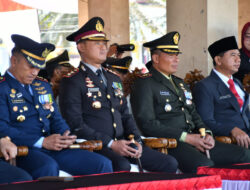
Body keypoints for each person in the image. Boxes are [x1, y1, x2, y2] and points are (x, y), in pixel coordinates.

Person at [59, 16, 178, 172]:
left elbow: (125, 114)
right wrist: (110, 143)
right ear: (81, 47)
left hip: (124, 143)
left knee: (169, 163)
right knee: (122, 166)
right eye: (97, 43)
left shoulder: (113, 77)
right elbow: (76, 124)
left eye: (104, 43)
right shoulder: (73, 80)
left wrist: (136, 140)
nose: (103, 48)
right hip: (97, 145)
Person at [130, 31, 250, 173]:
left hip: (195, 139)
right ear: (156, 58)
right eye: (171, 55)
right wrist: (186, 137)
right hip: (173, 142)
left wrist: (206, 134)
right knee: (204, 165)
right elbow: (147, 124)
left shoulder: (180, 84)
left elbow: (194, 114)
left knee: (244, 155)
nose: (176, 59)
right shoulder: (145, 83)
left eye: (177, 55)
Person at [0, 34, 112, 179]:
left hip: (53, 145)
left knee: (102, 164)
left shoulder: (43, 85)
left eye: (38, 67)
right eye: (31, 66)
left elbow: (55, 117)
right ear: (14, 61)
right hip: (25, 149)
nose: (35, 72)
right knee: (47, 167)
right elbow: (2, 127)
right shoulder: (3, 88)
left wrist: (64, 134)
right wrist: (42, 142)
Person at [193, 36, 250, 149]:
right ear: (218, 60)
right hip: (229, 141)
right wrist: (231, 129)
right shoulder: (205, 86)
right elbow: (205, 121)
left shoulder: (237, 83)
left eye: (239, 55)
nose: (238, 59)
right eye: (233, 55)